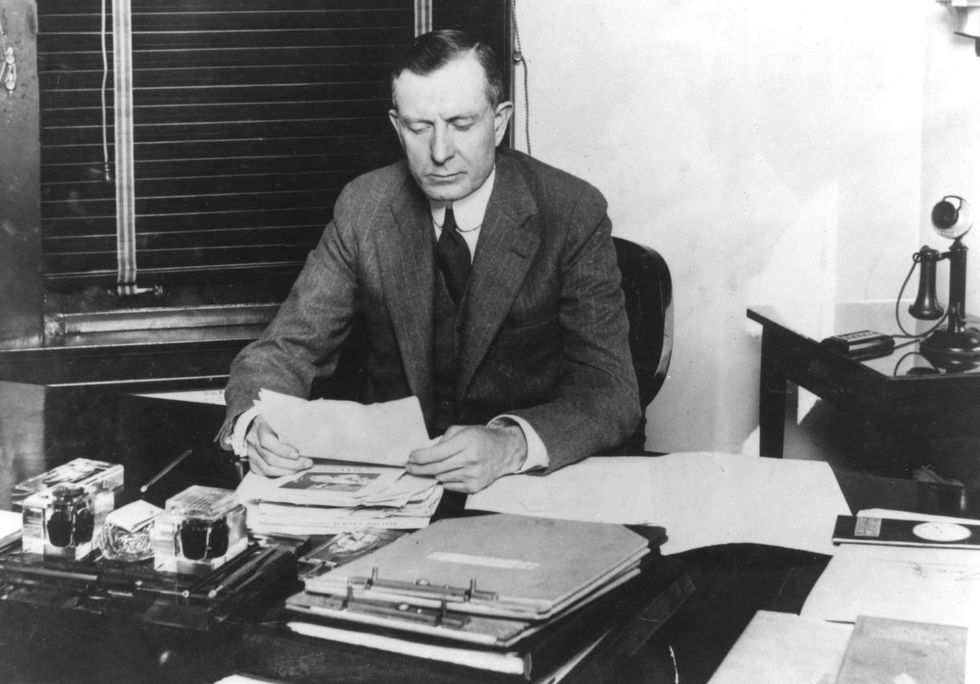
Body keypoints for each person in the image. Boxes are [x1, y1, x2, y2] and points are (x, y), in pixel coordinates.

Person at [219, 29, 640, 493]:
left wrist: (511, 444)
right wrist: (256, 424)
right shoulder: (366, 206)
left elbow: (611, 392)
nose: (439, 153)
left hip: (524, 490)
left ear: (498, 122)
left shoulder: (571, 211)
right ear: (397, 127)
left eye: (461, 124)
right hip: (396, 486)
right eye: (420, 129)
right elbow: (287, 348)